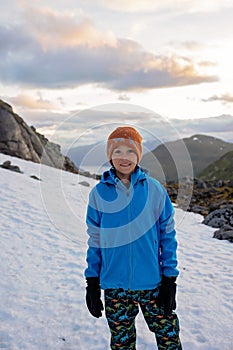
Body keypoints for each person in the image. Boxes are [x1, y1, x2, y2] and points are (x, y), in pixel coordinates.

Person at [84, 126, 182, 350]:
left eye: (130, 151)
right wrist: (92, 282)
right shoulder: (99, 194)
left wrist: (169, 279)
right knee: (122, 344)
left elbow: (168, 235)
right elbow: (95, 240)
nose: (124, 158)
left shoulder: (155, 190)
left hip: (153, 284)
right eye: (117, 151)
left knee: (169, 340)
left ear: (138, 155)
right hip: (115, 286)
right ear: (110, 156)